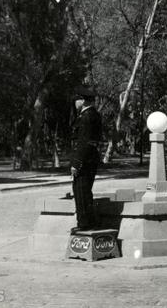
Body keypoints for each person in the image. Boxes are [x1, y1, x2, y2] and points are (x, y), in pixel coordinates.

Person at [69, 86, 102, 232]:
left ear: (82, 100)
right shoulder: (93, 115)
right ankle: (89, 221)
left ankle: (84, 223)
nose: (75, 103)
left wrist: (76, 163)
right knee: (84, 190)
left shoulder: (87, 116)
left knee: (81, 190)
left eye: (77, 100)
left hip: (85, 160)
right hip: (90, 158)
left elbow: (84, 142)